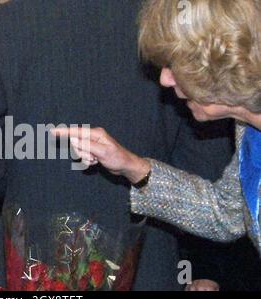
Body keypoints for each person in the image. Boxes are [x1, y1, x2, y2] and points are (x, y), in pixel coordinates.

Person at [0, 0, 234, 290]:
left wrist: (35, 181)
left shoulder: (2, 26)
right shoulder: (177, 26)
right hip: (146, 263)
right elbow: (209, 175)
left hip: (34, 266)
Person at [52, 0, 261, 256]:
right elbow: (225, 214)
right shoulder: (247, 130)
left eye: (175, 63)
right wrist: (131, 165)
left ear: (227, 62)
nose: (164, 79)